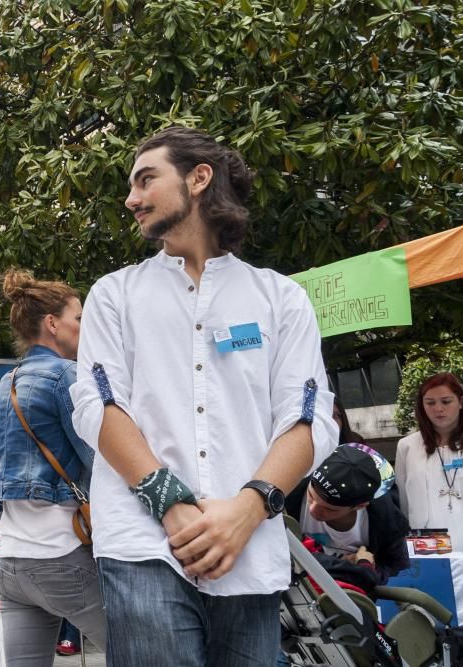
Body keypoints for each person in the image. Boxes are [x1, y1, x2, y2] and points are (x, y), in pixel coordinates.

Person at [70, 126, 338, 666]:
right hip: (144, 546)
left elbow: (309, 419)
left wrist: (246, 509)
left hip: (249, 548)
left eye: (146, 180)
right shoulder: (114, 295)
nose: (131, 198)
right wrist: (172, 505)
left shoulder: (280, 298)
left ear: (198, 178)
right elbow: (98, 407)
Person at [0, 268, 106, 664]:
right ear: (52, 324)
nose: (85, 327)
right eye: (79, 318)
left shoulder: (8, 383)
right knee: (144, 653)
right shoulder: (67, 376)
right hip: (63, 556)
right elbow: (101, 461)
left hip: (12, 564)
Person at [285, 444, 409, 593]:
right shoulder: (288, 496)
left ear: (360, 506)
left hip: (352, 598)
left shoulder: (386, 519)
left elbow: (396, 566)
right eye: (311, 497)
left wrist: (372, 569)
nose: (313, 510)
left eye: (329, 509)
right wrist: (353, 568)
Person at [396, 372, 463, 550]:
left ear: (461, 402)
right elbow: (403, 500)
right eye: (430, 403)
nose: (438, 409)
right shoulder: (407, 446)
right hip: (427, 542)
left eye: (446, 401)